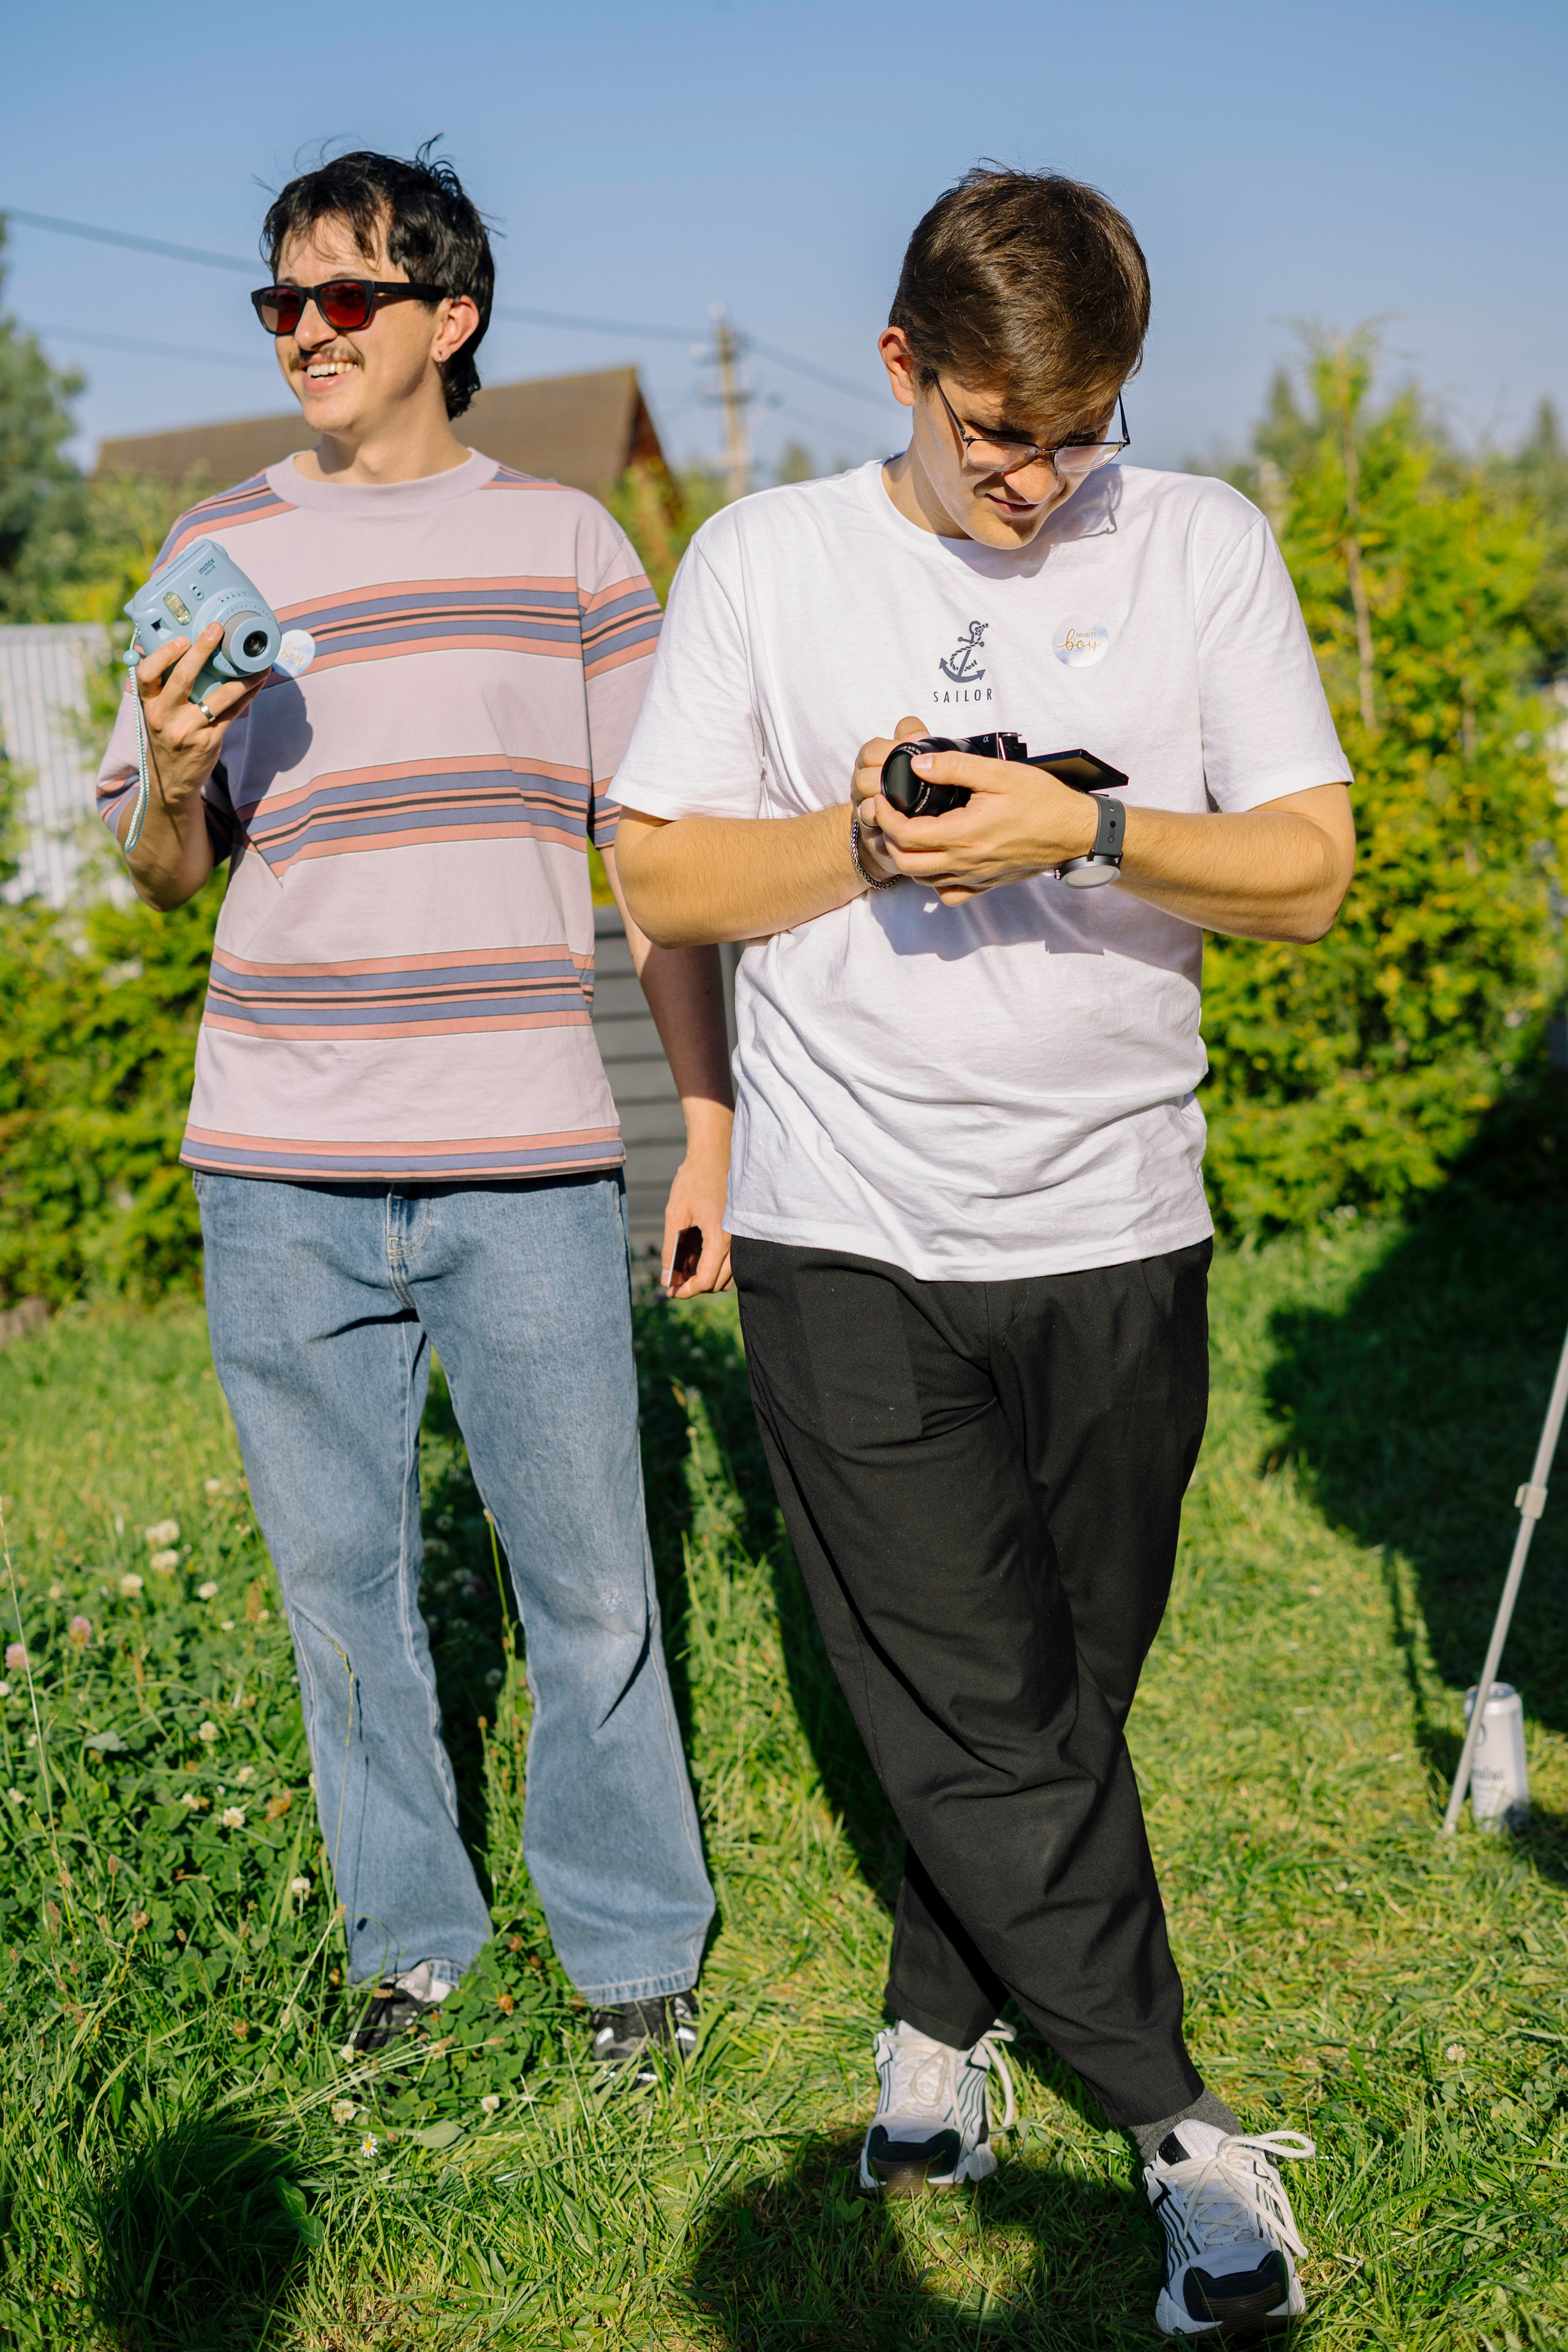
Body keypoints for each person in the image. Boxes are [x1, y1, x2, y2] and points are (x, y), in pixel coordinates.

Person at [612, 167, 1354, 2338]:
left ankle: (940, 2022)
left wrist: (1088, 827)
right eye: (997, 436)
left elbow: (1305, 871)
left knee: (1052, 1683)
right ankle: (1181, 2131)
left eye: (1082, 433)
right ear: (902, 369)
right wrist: (858, 839)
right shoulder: (765, 560)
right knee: (983, 1697)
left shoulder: (1198, 540)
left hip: (1125, 1217)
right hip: (855, 1230)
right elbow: (659, 878)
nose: (1041, 484)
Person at [97, 146, 735, 2074]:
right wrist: (175, 768)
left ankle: (633, 1956)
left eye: (341, 300)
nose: (304, 330)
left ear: (445, 320)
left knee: (593, 1579)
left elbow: (663, 866)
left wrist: (709, 1121)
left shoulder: (571, 551)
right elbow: (152, 876)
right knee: (342, 1592)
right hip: (275, 1160)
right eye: (279, 303)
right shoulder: (217, 540)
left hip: (525, 1152)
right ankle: (416, 1948)